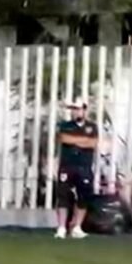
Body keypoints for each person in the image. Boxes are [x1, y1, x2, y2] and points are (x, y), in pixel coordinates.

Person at [54, 97, 99, 239]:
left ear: (84, 110)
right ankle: (62, 227)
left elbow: (92, 143)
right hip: (67, 166)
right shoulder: (65, 125)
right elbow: (64, 139)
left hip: (84, 166)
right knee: (63, 196)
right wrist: (82, 140)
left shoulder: (92, 127)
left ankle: (77, 227)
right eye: (73, 109)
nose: (75, 112)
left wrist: (75, 141)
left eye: (78, 109)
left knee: (83, 196)